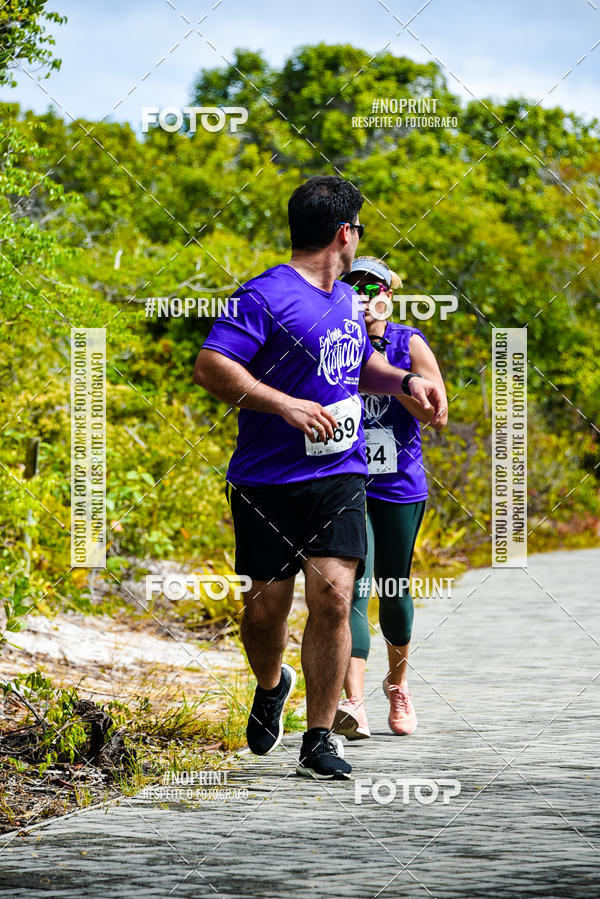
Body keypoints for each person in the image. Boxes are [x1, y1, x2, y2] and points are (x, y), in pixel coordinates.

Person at [193, 177, 445, 780]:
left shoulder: (346, 302)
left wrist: (407, 383)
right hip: (266, 479)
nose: (359, 239)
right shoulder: (263, 295)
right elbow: (210, 366)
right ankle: (271, 682)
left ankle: (318, 736)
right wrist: (284, 405)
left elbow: (358, 368)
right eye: (359, 229)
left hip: (340, 472)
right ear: (343, 233)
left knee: (333, 598)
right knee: (265, 610)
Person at [333, 256, 448, 740]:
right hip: (346, 477)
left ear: (389, 295)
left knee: (393, 587)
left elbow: (435, 415)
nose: (366, 296)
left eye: (374, 288)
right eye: (355, 287)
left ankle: (397, 684)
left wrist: (388, 368)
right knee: (352, 587)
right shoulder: (333, 340)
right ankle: (352, 702)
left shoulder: (409, 341)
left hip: (398, 483)